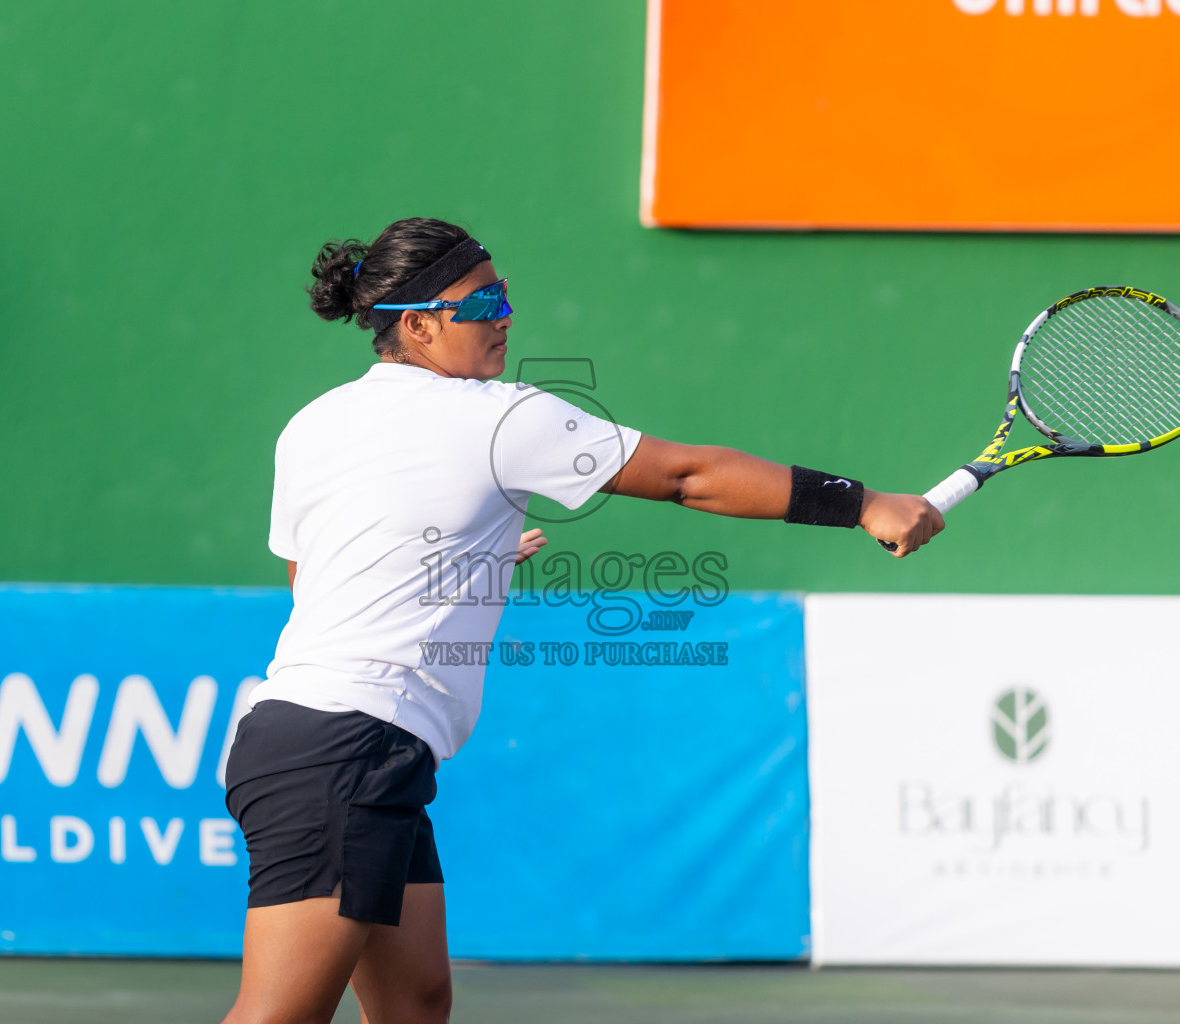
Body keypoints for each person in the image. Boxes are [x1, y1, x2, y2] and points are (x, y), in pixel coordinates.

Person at [220, 217, 942, 1024]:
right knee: (276, 1016)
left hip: (320, 740)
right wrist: (864, 503)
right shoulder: (496, 416)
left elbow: (312, 583)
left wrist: (468, 565)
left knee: (416, 1001)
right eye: (482, 300)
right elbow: (686, 476)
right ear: (418, 325)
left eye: (504, 294)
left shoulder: (314, 422)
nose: (504, 314)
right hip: (347, 749)